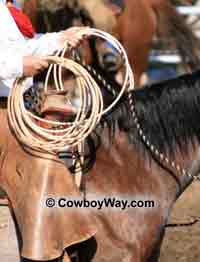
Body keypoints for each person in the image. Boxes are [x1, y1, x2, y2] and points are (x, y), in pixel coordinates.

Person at [0, 1, 97, 261]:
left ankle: (56, 245)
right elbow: (15, 58)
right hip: (3, 113)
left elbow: (19, 48)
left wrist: (60, 38)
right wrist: (20, 66)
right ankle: (48, 251)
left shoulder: (7, 7)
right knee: (42, 165)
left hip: (12, 106)